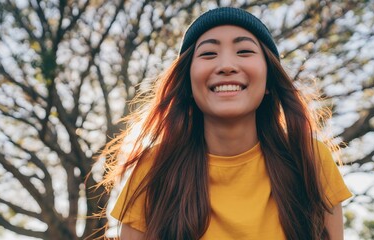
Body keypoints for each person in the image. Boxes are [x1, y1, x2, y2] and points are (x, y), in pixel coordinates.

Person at [102, 7, 352, 240]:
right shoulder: (155, 168)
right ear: (188, 84)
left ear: (269, 80)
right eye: (209, 53)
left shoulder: (310, 159)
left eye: (244, 51)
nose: (226, 66)